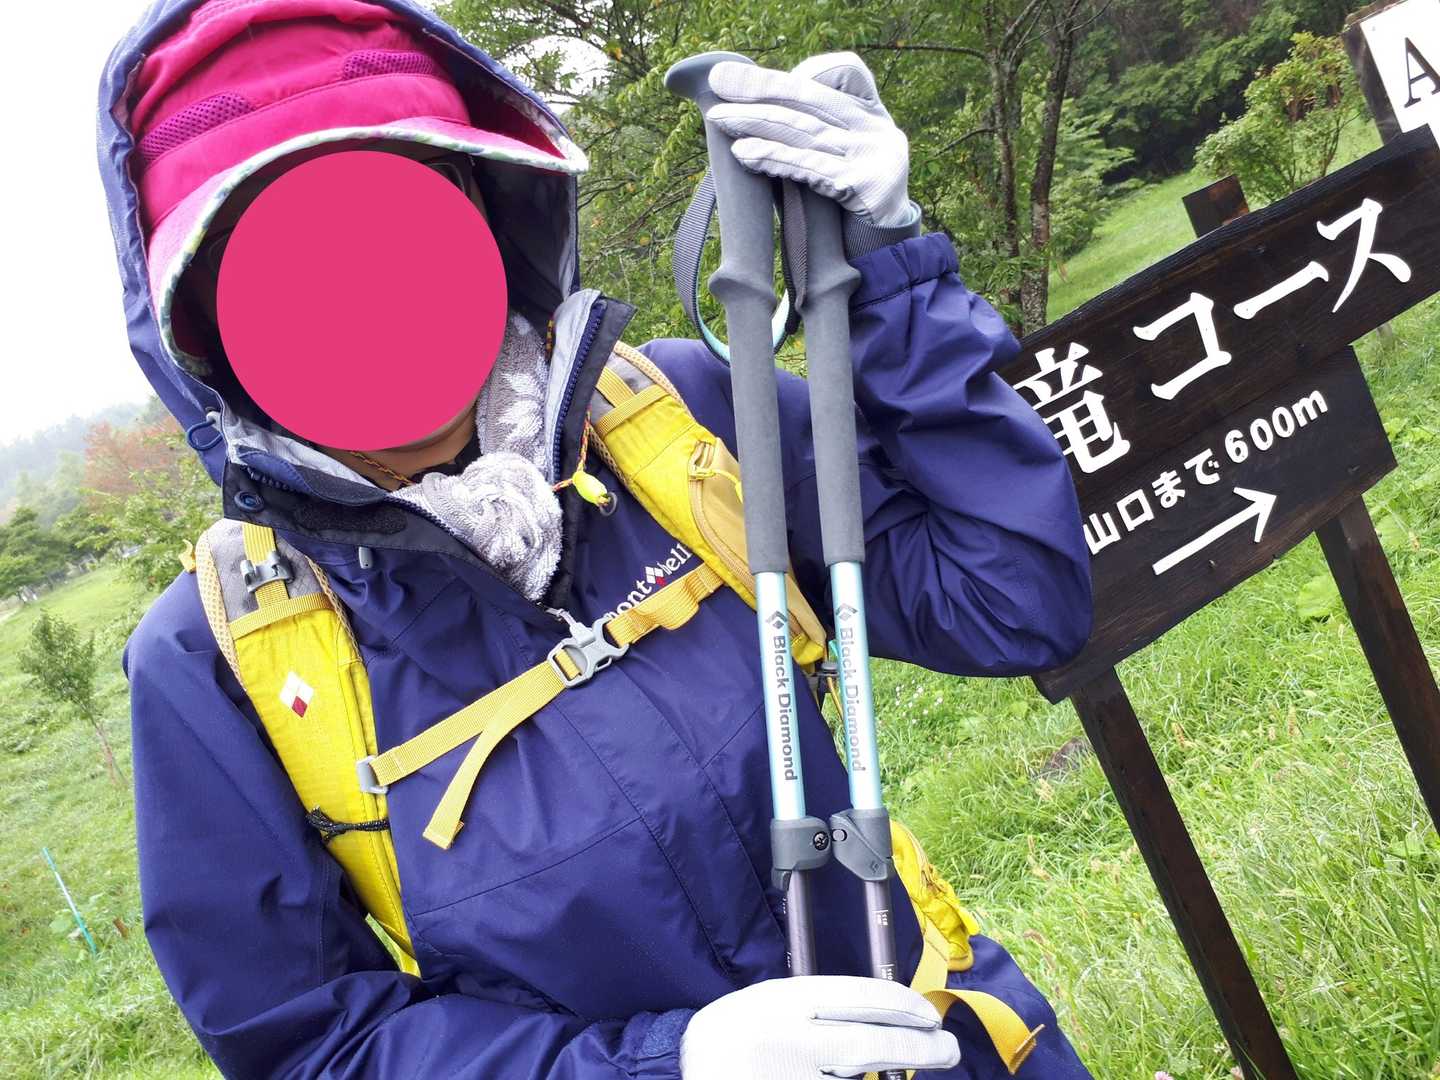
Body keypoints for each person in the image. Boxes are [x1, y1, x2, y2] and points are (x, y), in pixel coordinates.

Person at [98, 1, 1095, 1077]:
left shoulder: (682, 418)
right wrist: (665, 1064)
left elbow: (1015, 601)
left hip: (949, 1049)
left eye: (390, 207)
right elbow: (310, 1046)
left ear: (483, 206)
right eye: (285, 257)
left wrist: (891, 275)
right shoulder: (222, 657)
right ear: (205, 322)